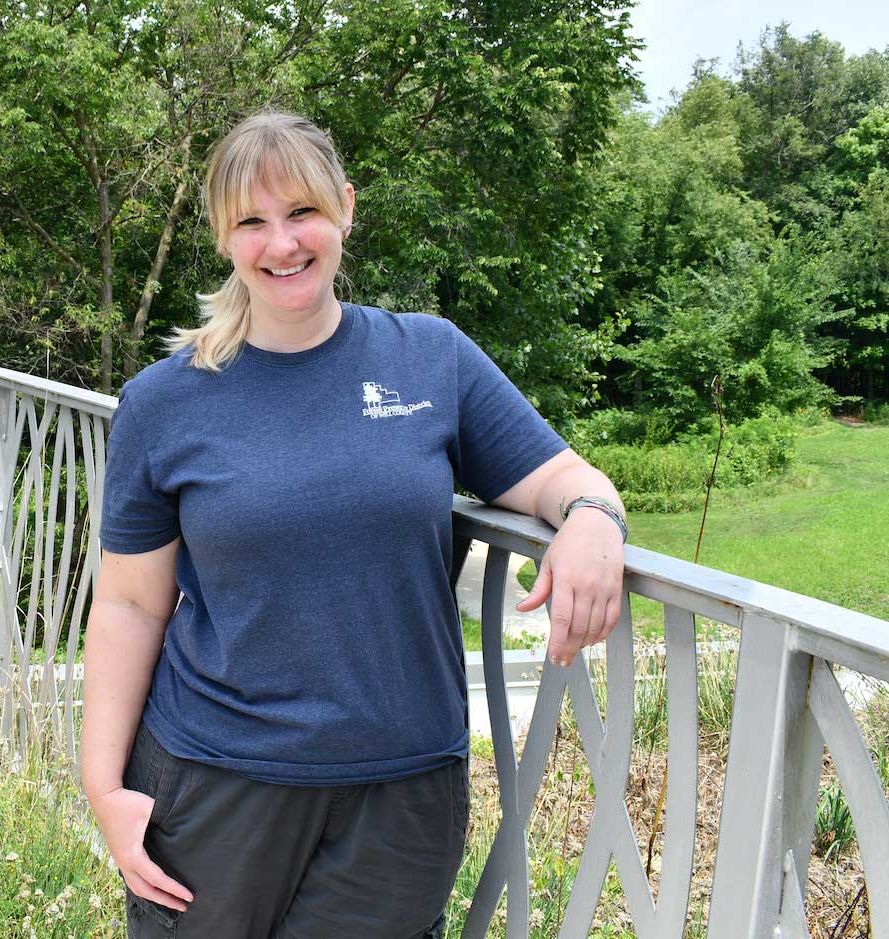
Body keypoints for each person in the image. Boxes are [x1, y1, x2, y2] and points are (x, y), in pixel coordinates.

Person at [80, 110, 627, 939]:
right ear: (224, 237)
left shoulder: (430, 358)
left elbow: (563, 477)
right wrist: (102, 784)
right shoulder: (164, 402)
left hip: (401, 795)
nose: (282, 243)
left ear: (345, 207)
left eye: (301, 212)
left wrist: (591, 517)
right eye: (252, 222)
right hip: (212, 782)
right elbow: (129, 604)